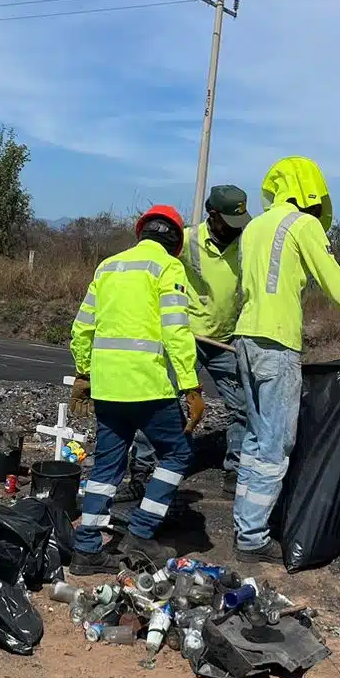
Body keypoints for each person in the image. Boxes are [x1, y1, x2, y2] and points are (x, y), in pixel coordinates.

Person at [231, 156, 340, 565]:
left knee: (254, 438)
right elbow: (334, 281)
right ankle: (251, 538)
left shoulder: (255, 226)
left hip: (245, 340)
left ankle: (244, 523)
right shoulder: (301, 226)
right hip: (275, 343)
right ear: (308, 193)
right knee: (276, 443)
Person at [68, 205, 206, 573]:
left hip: (108, 389)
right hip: (149, 388)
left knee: (107, 466)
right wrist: (191, 386)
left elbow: (82, 327)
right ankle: (141, 532)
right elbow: (175, 329)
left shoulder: (108, 267)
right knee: (177, 455)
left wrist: (83, 373)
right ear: (176, 243)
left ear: (140, 233)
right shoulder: (169, 268)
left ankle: (87, 549)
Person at [130, 183, 251, 500]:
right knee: (160, 402)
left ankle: (235, 470)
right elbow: (154, 266)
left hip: (225, 339)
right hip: (185, 336)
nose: (236, 230)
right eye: (229, 222)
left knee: (243, 408)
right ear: (213, 215)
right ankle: (143, 469)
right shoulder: (186, 239)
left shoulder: (246, 244)